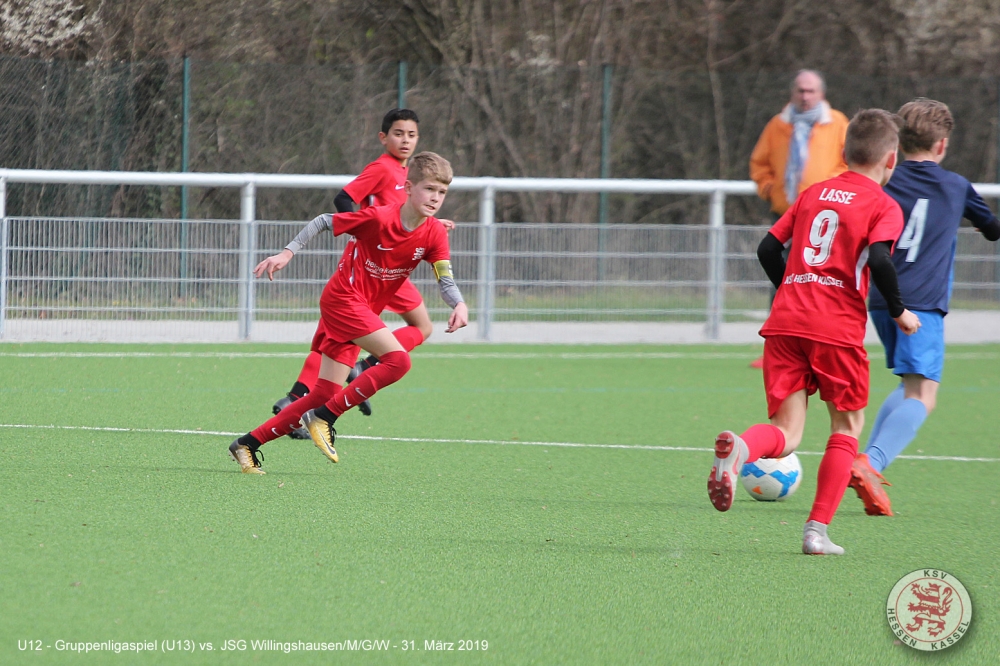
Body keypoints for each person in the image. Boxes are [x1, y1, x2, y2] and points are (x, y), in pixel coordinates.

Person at [708, 109, 921, 555]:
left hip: (786, 322)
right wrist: (899, 310)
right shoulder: (883, 205)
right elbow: (879, 259)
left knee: (786, 431)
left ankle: (742, 448)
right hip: (836, 327)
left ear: (843, 150)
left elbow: (768, 248)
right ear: (891, 159)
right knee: (846, 427)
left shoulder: (813, 192)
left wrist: (790, 288)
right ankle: (816, 532)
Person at [229, 152, 468, 474]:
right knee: (398, 361)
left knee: (324, 392)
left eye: (442, 192)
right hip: (343, 300)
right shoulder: (379, 218)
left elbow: (445, 279)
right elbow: (323, 221)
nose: (436, 198)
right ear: (409, 187)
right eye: (429, 189)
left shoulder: (434, 233)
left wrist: (459, 304)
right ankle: (324, 418)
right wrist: (287, 253)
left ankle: (246, 444)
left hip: (362, 309)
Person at [850, 99, 1000, 516]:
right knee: (923, 394)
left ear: (898, 144)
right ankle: (871, 463)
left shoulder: (885, 179)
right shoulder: (955, 185)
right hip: (922, 307)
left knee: (907, 385)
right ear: (942, 144)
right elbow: (992, 230)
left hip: (881, 300)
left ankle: (864, 463)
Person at [272, 108, 454, 429]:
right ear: (384, 137)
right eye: (399, 133)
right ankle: (305, 396)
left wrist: (432, 223)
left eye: (412, 135)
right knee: (339, 334)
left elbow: (406, 214)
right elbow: (344, 199)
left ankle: (345, 375)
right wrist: (360, 233)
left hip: (392, 267)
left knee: (415, 327)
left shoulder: (409, 175)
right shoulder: (382, 168)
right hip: (373, 263)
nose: (405, 140)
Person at [747, 70, 850, 368]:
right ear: (793, 92)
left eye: (811, 91)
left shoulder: (838, 123)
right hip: (786, 214)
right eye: (801, 90)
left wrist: (828, 192)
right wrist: (770, 188)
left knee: (819, 279)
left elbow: (849, 163)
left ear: (821, 93)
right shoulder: (778, 125)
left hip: (824, 217)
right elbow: (759, 163)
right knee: (780, 278)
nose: (805, 96)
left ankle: (820, 345)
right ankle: (776, 348)